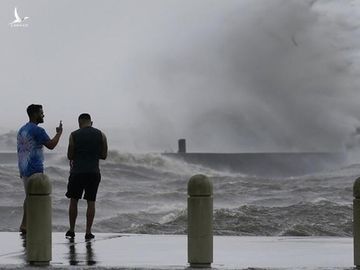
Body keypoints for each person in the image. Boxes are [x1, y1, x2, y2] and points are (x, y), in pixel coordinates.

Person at [17, 104, 63, 234]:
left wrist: (21, 169)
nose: (43, 115)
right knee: (36, 199)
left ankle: (24, 225)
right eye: (41, 113)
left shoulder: (22, 129)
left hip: (24, 168)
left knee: (28, 197)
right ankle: (31, 225)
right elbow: (51, 145)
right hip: (35, 169)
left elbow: (20, 150)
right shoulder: (38, 130)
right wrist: (59, 133)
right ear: (35, 114)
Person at [65, 113, 107, 240]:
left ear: (79, 122)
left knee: (74, 201)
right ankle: (88, 232)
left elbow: (70, 155)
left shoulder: (73, 135)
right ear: (91, 122)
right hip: (93, 172)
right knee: (91, 202)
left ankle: (72, 230)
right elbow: (104, 155)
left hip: (77, 172)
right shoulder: (101, 135)